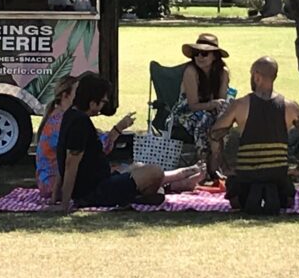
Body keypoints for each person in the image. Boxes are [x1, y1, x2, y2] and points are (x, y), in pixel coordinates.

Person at [56, 73, 202, 211]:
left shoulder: (71, 116)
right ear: (93, 103)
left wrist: (55, 196)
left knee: (138, 167)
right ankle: (152, 191)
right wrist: (64, 203)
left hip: (102, 180)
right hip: (95, 191)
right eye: (102, 103)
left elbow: (62, 161)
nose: (102, 108)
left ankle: (160, 188)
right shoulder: (80, 123)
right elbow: (70, 163)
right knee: (154, 172)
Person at [209, 56, 299, 213]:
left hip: (246, 175)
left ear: (256, 76)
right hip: (278, 174)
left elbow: (214, 134)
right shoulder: (290, 107)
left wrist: (225, 167)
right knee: (287, 198)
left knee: (235, 198)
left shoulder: (239, 105)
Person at [34, 75, 135, 203]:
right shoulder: (66, 120)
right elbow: (98, 149)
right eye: (78, 92)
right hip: (56, 184)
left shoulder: (62, 117)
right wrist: (118, 128)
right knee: (129, 171)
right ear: (65, 95)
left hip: (51, 181)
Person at [174, 32, 232, 183]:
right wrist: (212, 105)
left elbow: (222, 100)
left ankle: (215, 163)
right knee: (205, 119)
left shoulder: (222, 72)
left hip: (210, 110)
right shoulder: (191, 71)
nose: (199, 57)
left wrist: (219, 112)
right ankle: (203, 166)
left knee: (222, 120)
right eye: (196, 53)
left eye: (204, 53)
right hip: (187, 111)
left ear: (214, 56)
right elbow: (192, 105)